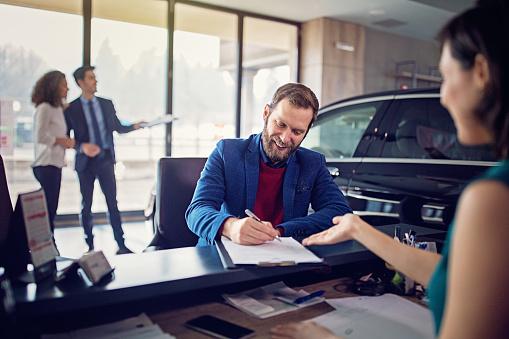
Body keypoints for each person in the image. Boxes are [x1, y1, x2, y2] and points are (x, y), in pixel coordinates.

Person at [270, 1, 509, 338]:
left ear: (481, 72)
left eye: (446, 76)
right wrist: (358, 228)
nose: (443, 97)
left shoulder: (493, 197)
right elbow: (457, 275)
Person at [186, 83, 352, 247]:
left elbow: (340, 212)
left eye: (297, 132)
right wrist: (230, 226)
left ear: (308, 130)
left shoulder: (313, 163)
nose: (285, 138)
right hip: (224, 255)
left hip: (283, 257)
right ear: (266, 113)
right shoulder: (227, 152)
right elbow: (197, 211)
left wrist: (282, 231)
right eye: (280, 124)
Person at [64, 65, 144, 255]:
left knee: (112, 202)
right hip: (85, 163)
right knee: (87, 204)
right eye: (91, 78)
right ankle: (89, 246)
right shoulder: (71, 109)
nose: (95, 81)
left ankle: (121, 244)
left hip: (106, 160)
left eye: (95, 77)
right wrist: (81, 147)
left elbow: (118, 127)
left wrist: (135, 126)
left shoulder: (107, 104)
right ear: (80, 83)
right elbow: (67, 139)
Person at [30, 70, 75, 253]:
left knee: (51, 208)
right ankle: (47, 248)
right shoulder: (44, 108)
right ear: (53, 86)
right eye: (64, 84)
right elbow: (41, 136)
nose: (67, 88)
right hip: (45, 164)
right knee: (48, 209)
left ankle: (48, 246)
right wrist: (63, 141)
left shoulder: (57, 109)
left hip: (56, 163)